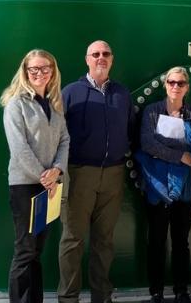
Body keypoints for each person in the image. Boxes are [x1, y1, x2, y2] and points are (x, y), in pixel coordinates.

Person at [58, 40, 135, 303]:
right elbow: (57, 134)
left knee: (104, 241)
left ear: (112, 59)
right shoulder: (70, 92)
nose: (101, 58)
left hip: (113, 175)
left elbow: (130, 130)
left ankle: (102, 298)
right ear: (87, 59)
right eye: (95, 54)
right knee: (73, 240)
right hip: (79, 174)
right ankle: (68, 299)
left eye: (106, 54)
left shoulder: (122, 94)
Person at [136, 67, 191, 303]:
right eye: (171, 82)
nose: (176, 87)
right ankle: (156, 291)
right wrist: (179, 155)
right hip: (156, 186)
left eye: (181, 83)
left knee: (181, 241)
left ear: (187, 87)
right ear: (165, 85)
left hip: (186, 188)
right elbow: (147, 143)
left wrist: (164, 148)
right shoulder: (152, 111)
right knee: (157, 241)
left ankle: (182, 290)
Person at [1, 49, 71, 303]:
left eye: (45, 68)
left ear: (53, 71)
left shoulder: (55, 102)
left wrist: (58, 170)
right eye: (34, 69)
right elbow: (19, 148)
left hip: (49, 186)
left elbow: (65, 139)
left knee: (37, 251)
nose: (40, 73)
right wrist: (46, 176)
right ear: (26, 72)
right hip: (25, 186)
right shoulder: (16, 104)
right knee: (25, 250)